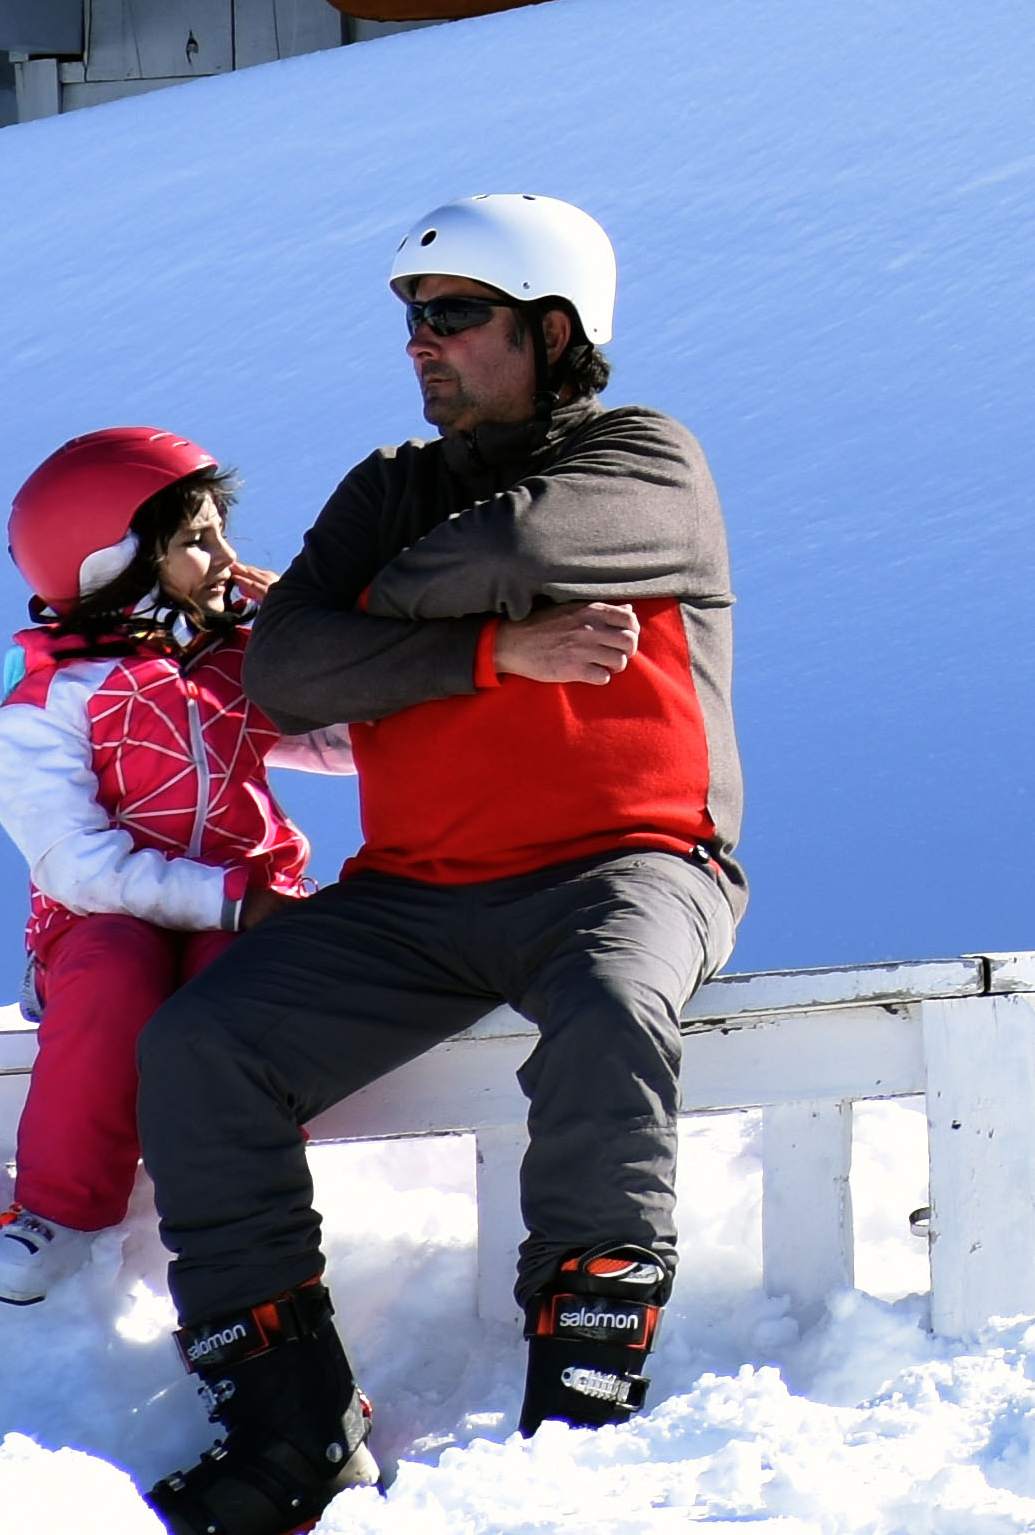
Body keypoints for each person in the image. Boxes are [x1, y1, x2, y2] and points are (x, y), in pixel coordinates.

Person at [136, 194, 741, 1535]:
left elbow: (521, 544)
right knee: (201, 1046)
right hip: (415, 896)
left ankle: (582, 1400)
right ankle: (289, 1422)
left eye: (457, 315)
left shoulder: (649, 459)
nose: (423, 342)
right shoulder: (388, 484)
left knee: (610, 1009)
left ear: (554, 330)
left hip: (627, 866)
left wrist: (375, 604)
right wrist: (494, 647)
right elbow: (287, 673)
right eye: (412, 318)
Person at [0, 430, 348, 1307]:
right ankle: (59, 1209)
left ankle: (237, 1205)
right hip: (106, 923)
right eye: (195, 541)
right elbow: (74, 863)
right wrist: (232, 899)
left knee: (235, 989)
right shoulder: (49, 700)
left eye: (220, 534)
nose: (226, 558)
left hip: (244, 914)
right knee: (116, 969)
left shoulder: (228, 666)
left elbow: (349, 741)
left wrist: (313, 637)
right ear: (114, 565)